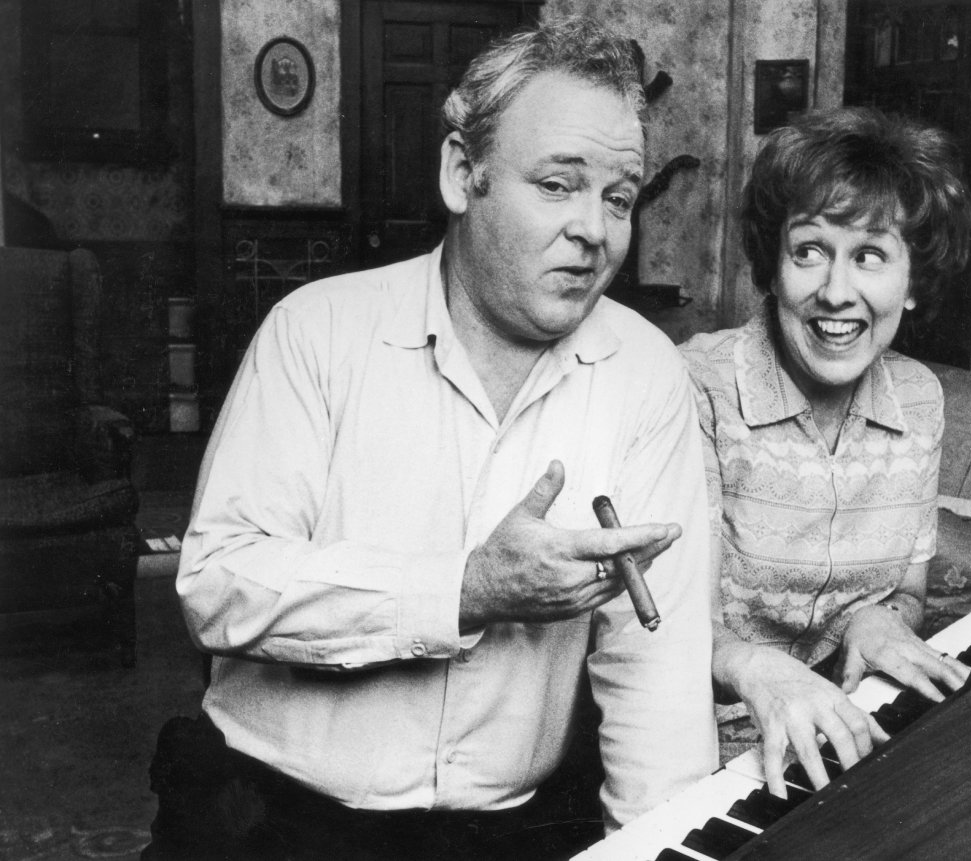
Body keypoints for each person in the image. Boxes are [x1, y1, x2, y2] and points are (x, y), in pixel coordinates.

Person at [142, 17, 716, 861]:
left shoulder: (645, 373)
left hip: (506, 832)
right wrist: (465, 589)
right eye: (558, 185)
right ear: (461, 173)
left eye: (618, 197)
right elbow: (219, 583)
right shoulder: (316, 332)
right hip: (268, 818)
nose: (594, 229)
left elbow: (653, 673)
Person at [679, 107, 971, 798]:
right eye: (808, 250)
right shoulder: (696, 386)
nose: (836, 293)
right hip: (712, 762)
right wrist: (756, 667)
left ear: (911, 281)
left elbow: (905, 591)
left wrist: (881, 619)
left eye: (869, 255)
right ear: (772, 264)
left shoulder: (920, 399)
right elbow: (654, 620)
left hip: (857, 736)